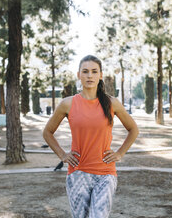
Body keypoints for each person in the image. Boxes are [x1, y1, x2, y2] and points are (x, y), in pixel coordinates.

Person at [43, 55, 139, 218]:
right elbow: (47, 132)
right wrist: (63, 155)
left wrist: (120, 153)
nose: (89, 75)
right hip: (78, 173)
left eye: (94, 71)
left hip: (105, 173)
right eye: (85, 71)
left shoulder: (111, 103)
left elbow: (133, 129)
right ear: (78, 75)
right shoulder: (68, 103)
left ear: (100, 75)